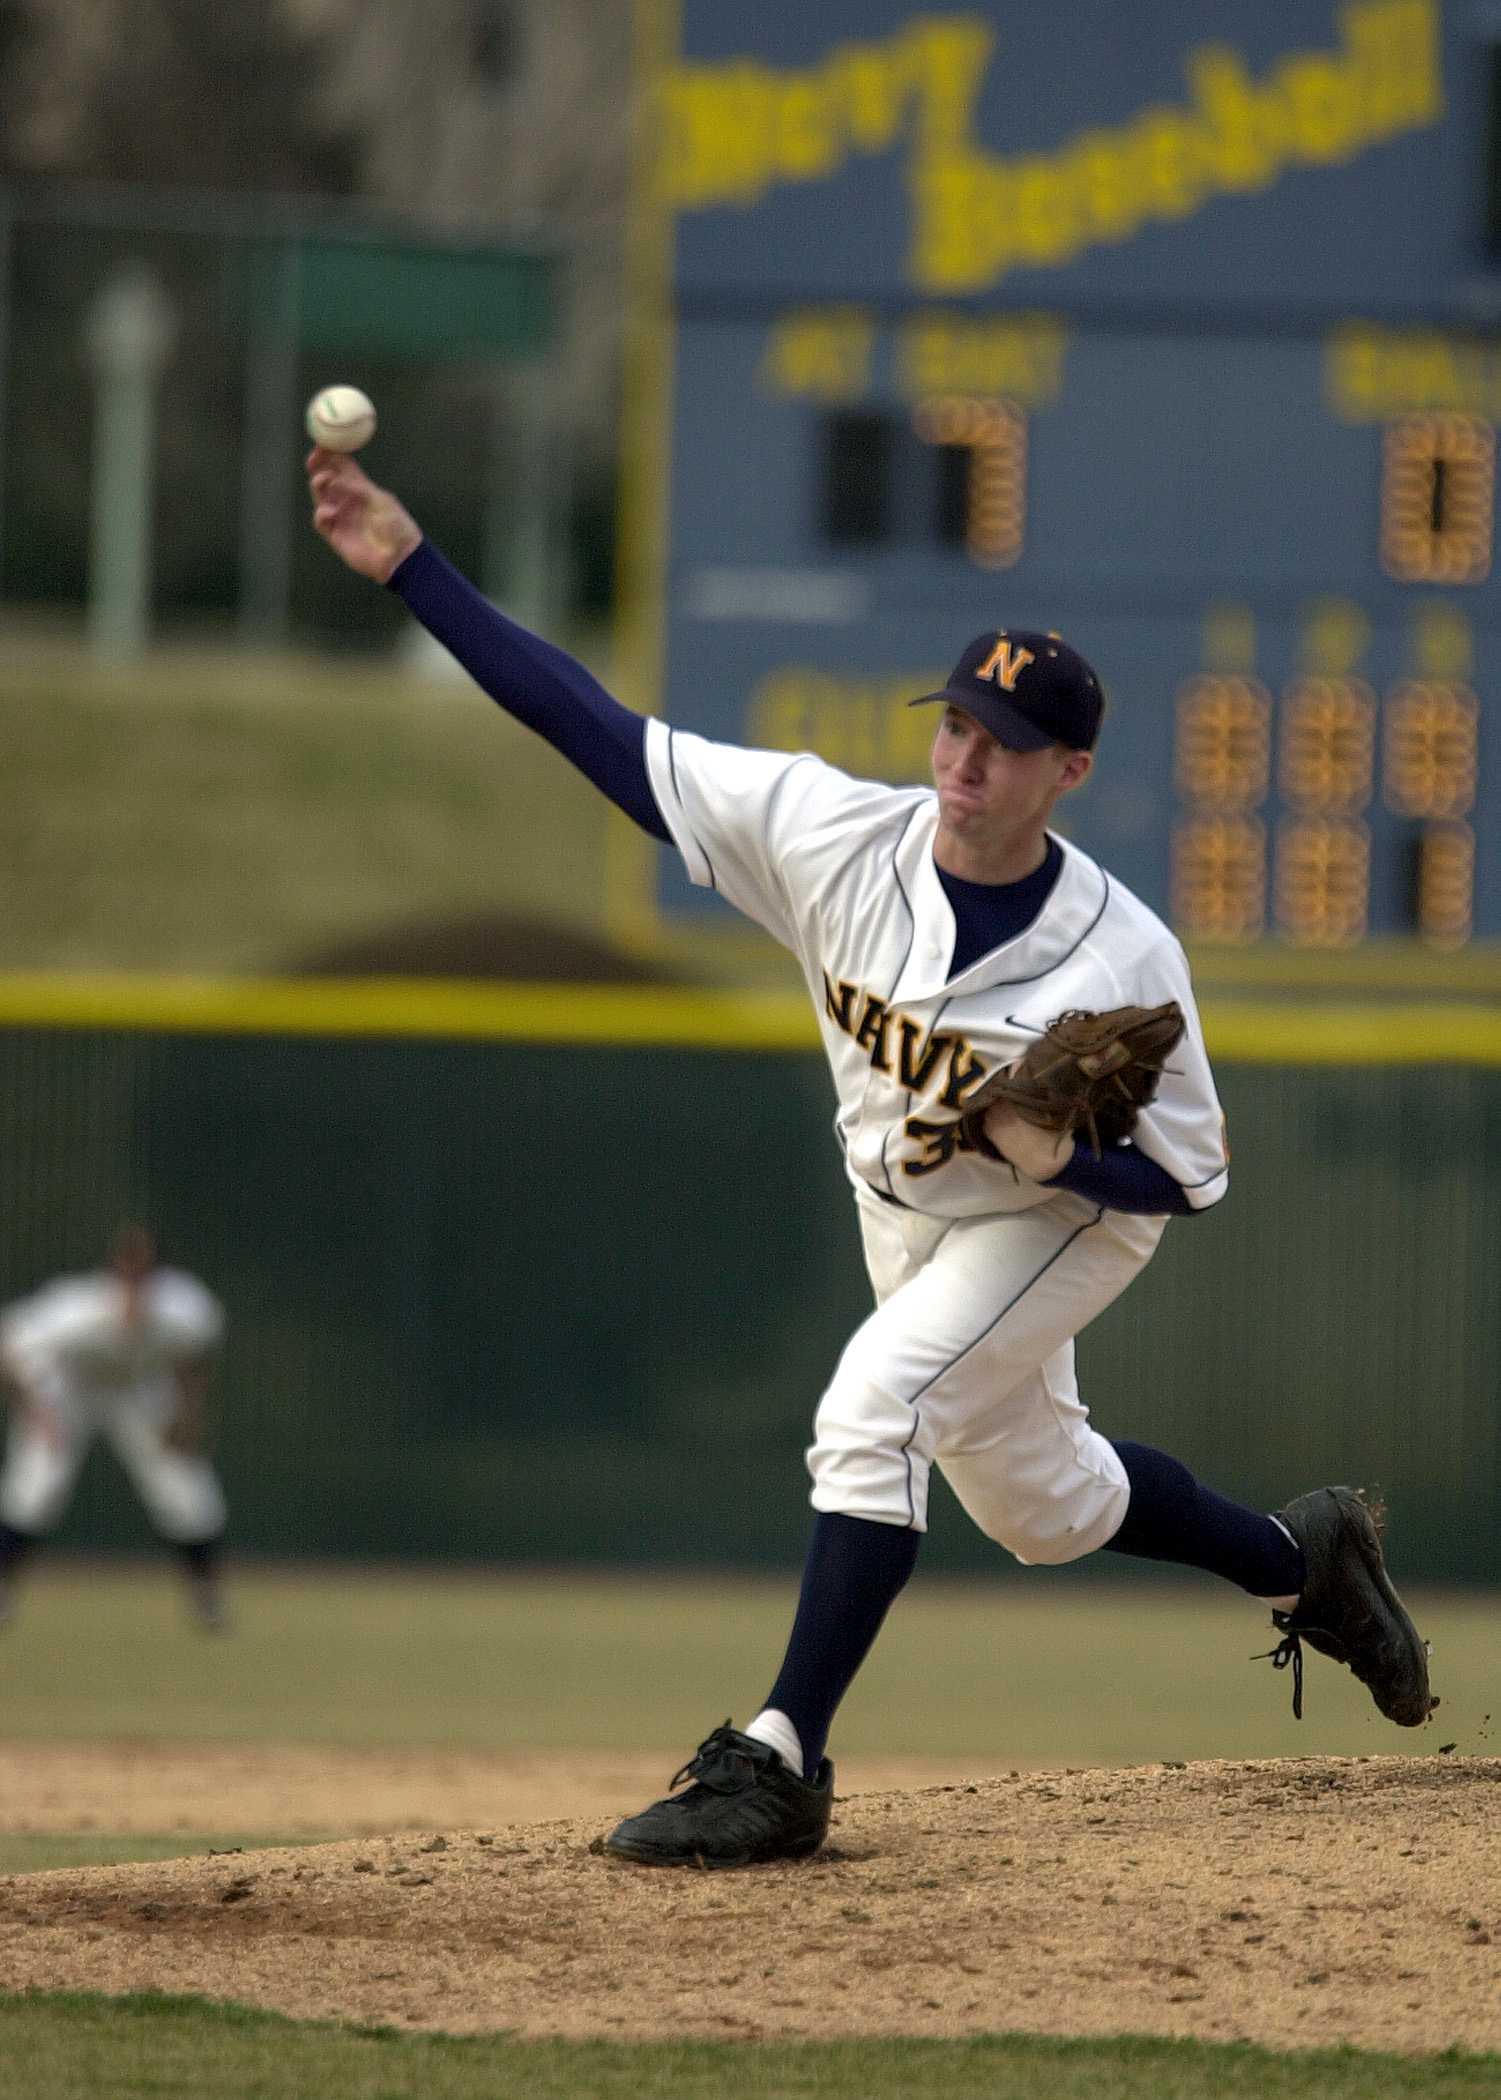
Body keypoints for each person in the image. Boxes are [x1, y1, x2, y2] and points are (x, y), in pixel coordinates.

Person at [308, 445, 1433, 1871]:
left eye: (1004, 742)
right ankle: (1305, 1557)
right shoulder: (828, 833)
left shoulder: (1124, 959)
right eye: (955, 724)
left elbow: (1190, 1180)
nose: (964, 760)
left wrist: (1064, 1157)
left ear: (1067, 770)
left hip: (1055, 1224)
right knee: (1044, 1508)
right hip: (901, 1211)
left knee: (876, 1406)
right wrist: (412, 565)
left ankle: (779, 1757)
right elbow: (591, 726)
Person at [0, 1225, 229, 1628]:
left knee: (184, 1485)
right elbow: (8, 1346)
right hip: (67, 1385)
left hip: (138, 1385)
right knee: (38, 1486)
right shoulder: (76, 1309)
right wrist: (37, 1411)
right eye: (125, 1276)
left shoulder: (185, 1306)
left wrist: (186, 1411)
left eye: (143, 1277)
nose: (133, 1288)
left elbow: (197, 1355)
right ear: (109, 1276)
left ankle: (207, 1596)